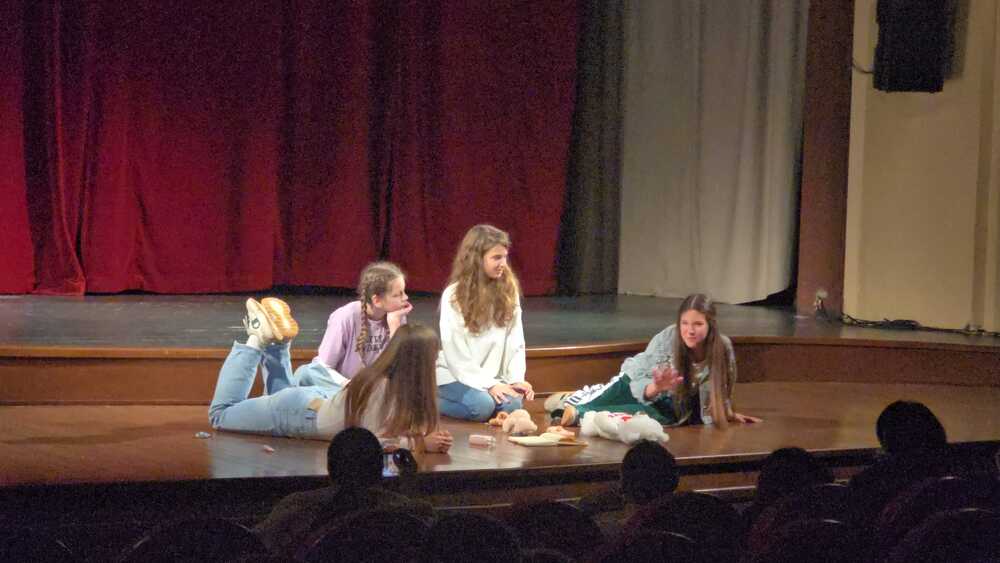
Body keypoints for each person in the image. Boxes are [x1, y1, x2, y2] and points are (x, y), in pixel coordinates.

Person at [208, 298, 453, 452]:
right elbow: (366, 442)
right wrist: (419, 443)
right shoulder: (381, 388)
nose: (436, 361)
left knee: (281, 396)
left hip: (309, 405)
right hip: (299, 413)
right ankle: (256, 338)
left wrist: (427, 437)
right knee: (221, 414)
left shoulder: (390, 383)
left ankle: (278, 343)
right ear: (420, 363)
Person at [548, 293, 760, 428]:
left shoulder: (723, 347)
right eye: (685, 323)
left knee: (636, 417)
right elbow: (641, 383)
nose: (690, 330)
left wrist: (728, 412)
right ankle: (575, 397)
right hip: (636, 382)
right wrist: (656, 387)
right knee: (590, 403)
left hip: (667, 404)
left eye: (697, 324)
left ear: (710, 325)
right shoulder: (668, 338)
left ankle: (578, 412)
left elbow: (724, 386)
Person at [254, 427, 434, 557]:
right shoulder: (407, 511)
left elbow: (255, 543)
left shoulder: (300, 507)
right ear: (379, 469)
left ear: (329, 468)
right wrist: (409, 482)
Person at [435, 224, 534, 422]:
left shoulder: (508, 291)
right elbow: (456, 353)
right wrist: (489, 384)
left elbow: (515, 341)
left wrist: (516, 379)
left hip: (491, 378)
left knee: (512, 404)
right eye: (496, 258)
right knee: (481, 406)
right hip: (455, 375)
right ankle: (425, 402)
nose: (503, 263)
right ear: (476, 259)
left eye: (504, 257)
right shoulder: (453, 295)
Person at [292, 261, 412, 393]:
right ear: (376, 300)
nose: (405, 297)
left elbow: (402, 368)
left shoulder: (397, 317)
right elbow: (323, 367)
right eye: (398, 294)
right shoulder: (345, 316)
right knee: (306, 373)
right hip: (344, 387)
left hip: (377, 390)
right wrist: (351, 387)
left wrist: (395, 326)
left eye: (404, 292)